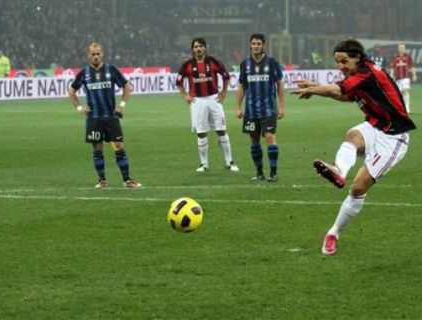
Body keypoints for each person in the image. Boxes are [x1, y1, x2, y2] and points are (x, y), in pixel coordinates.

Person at [291, 39, 416, 255]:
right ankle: (339, 170)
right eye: (338, 62)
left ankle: (334, 232)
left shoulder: (367, 72)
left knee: (358, 189)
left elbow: (338, 89)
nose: (340, 66)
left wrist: (315, 89)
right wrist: (316, 86)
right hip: (374, 126)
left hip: (394, 137)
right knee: (353, 135)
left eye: (344, 61)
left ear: (357, 57)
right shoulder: (357, 74)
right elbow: (346, 95)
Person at [68, 42, 141, 189]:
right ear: (88, 55)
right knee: (97, 149)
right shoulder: (84, 73)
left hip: (110, 117)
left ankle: (127, 180)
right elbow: (71, 91)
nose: (96, 57)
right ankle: (102, 180)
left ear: (102, 54)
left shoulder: (111, 69)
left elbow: (127, 86)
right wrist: (80, 108)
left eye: (98, 54)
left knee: (119, 147)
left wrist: (122, 105)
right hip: (94, 119)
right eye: (93, 54)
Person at [176, 37, 239, 172]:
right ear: (192, 49)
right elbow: (179, 82)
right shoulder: (187, 65)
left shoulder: (213, 61)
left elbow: (226, 76)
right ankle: (204, 164)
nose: (198, 49)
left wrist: (223, 93)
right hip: (197, 101)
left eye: (200, 46)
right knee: (201, 133)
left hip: (213, 99)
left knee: (221, 130)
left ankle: (229, 162)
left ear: (205, 47)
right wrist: (185, 95)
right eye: (196, 47)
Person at [235, 33, 285, 182]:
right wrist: (237, 107)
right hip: (251, 111)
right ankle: (259, 172)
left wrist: (282, 106)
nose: (256, 46)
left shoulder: (272, 63)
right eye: (253, 44)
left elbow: (280, 84)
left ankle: (273, 172)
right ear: (250, 45)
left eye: (258, 44)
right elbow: (242, 86)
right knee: (254, 140)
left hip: (268, 109)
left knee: (269, 137)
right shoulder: (245, 64)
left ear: (264, 45)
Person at [390, 43, 417, 113]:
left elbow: (412, 67)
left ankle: (407, 108)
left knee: (405, 91)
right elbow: (392, 68)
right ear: (398, 49)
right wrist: (391, 75)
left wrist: (414, 75)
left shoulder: (408, 57)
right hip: (397, 78)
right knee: (399, 94)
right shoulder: (394, 57)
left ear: (405, 49)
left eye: (402, 48)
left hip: (405, 77)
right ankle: (401, 108)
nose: (401, 49)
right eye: (400, 48)